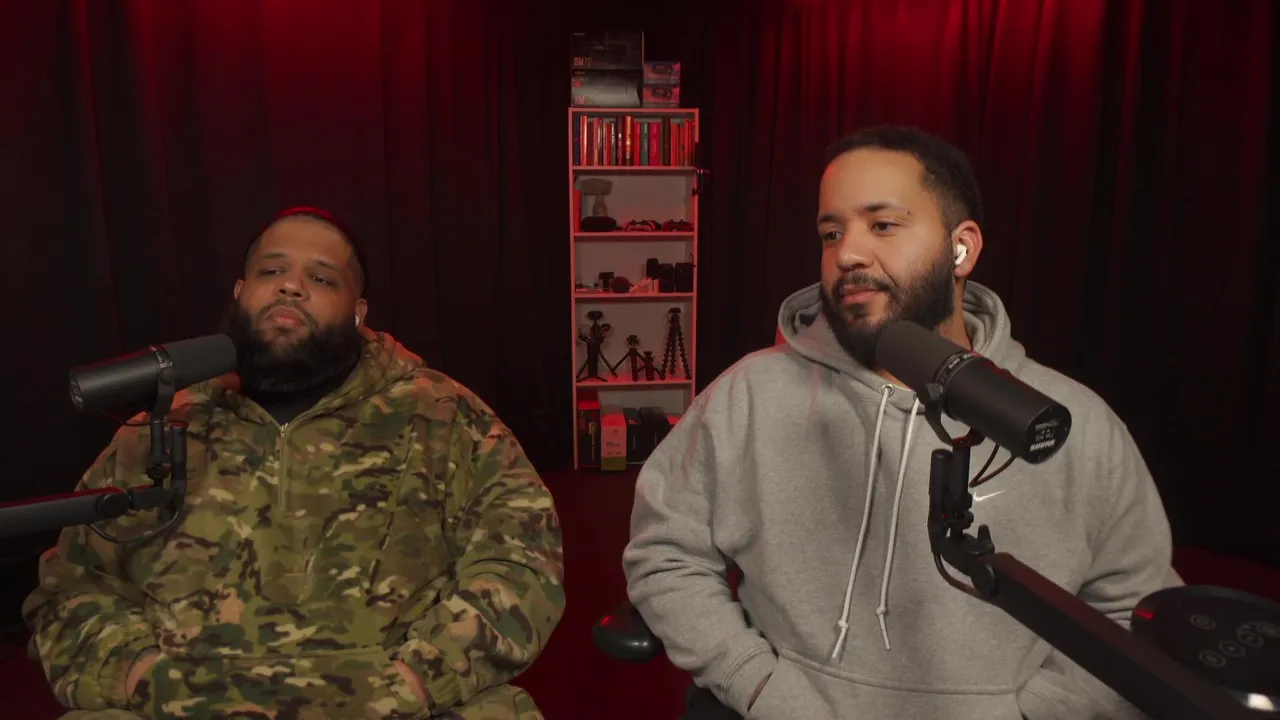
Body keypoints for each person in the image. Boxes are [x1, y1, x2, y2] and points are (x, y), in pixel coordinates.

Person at [622, 127, 1180, 720]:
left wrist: (1035, 711)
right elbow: (666, 554)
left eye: (882, 225)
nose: (848, 254)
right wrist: (758, 686)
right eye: (831, 232)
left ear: (961, 249)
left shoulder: (1075, 424)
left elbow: (1133, 608)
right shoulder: (748, 395)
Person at [24, 207, 566, 720]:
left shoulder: (444, 416)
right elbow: (73, 584)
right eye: (272, 271)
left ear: (358, 312)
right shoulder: (161, 429)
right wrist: (143, 677)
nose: (291, 286)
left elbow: (521, 566)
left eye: (322, 278)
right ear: (240, 292)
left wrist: (417, 681)